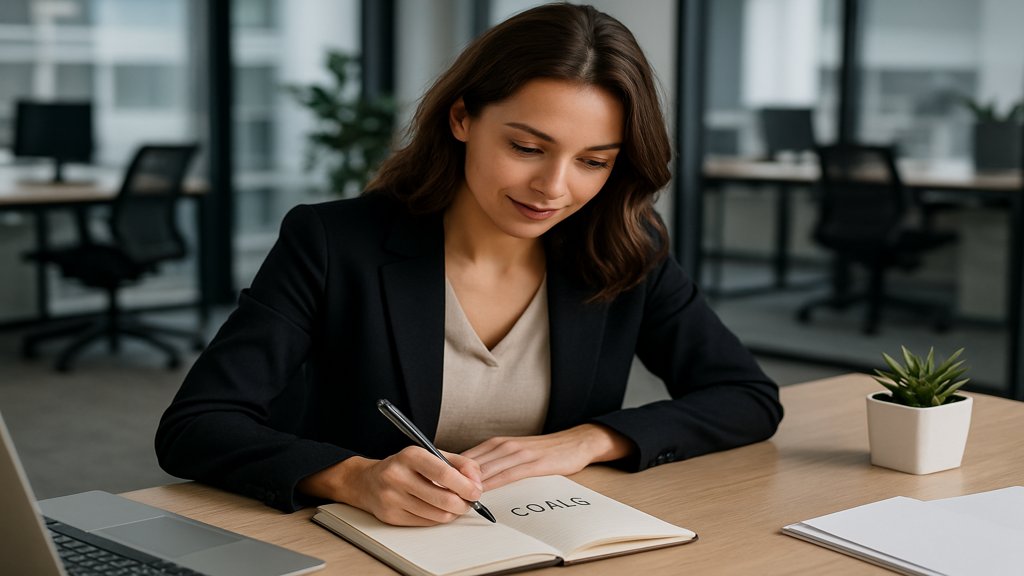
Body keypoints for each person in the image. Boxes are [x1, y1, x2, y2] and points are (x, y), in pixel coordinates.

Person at [156, 3, 783, 527]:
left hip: (537, 538)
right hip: (359, 545)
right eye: (526, 147)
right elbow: (197, 425)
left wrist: (589, 439)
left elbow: (747, 396)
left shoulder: (624, 244)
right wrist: (354, 478)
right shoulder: (332, 241)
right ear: (462, 118)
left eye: (594, 161)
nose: (553, 188)